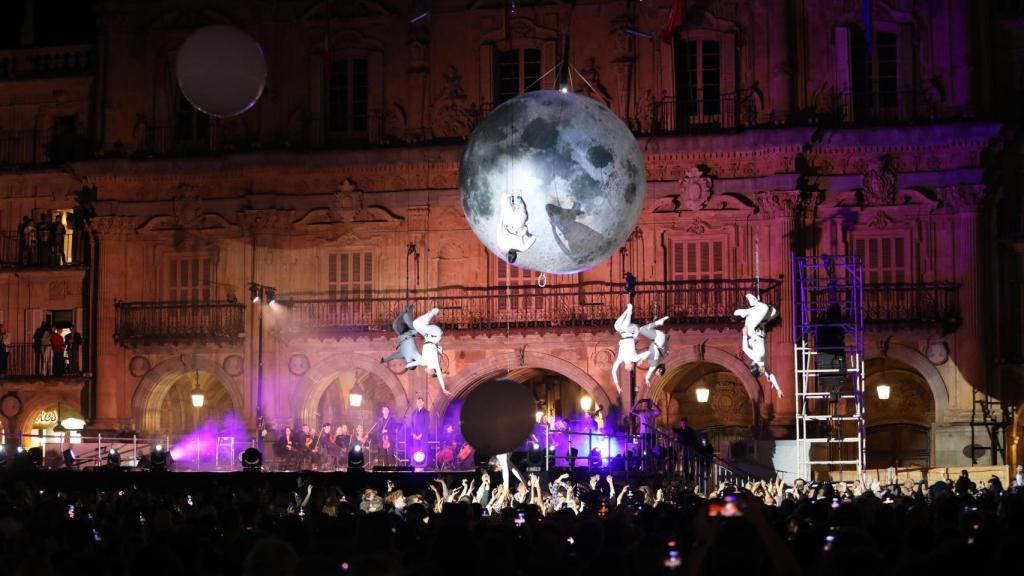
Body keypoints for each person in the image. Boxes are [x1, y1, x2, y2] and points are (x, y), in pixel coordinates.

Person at [610, 303, 642, 393]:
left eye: (628, 369)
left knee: (616, 326)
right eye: (630, 368)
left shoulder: (621, 358)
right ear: (631, 365)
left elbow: (613, 370)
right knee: (624, 326)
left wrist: (617, 385)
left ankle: (627, 310)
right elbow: (643, 355)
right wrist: (640, 360)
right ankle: (630, 309)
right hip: (634, 332)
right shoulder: (633, 358)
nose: (627, 369)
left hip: (624, 334)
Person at [631, 398, 661, 471]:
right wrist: (637, 402)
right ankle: (637, 466)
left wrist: (653, 403)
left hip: (651, 434)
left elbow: (659, 411)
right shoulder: (642, 412)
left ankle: (651, 467)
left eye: (648, 404)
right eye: (646, 404)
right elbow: (632, 411)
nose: (647, 405)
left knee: (650, 450)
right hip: (643, 433)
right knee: (639, 450)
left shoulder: (653, 412)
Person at [409, 397, 429, 465]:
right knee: (416, 450)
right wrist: (413, 434)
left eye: (420, 402)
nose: (419, 403)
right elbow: (411, 424)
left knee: (423, 450)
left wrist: (421, 435)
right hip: (415, 436)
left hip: (423, 436)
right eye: (417, 402)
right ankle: (416, 465)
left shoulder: (426, 412)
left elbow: (426, 425)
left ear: (423, 402)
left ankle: (424, 465)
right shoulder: (414, 412)